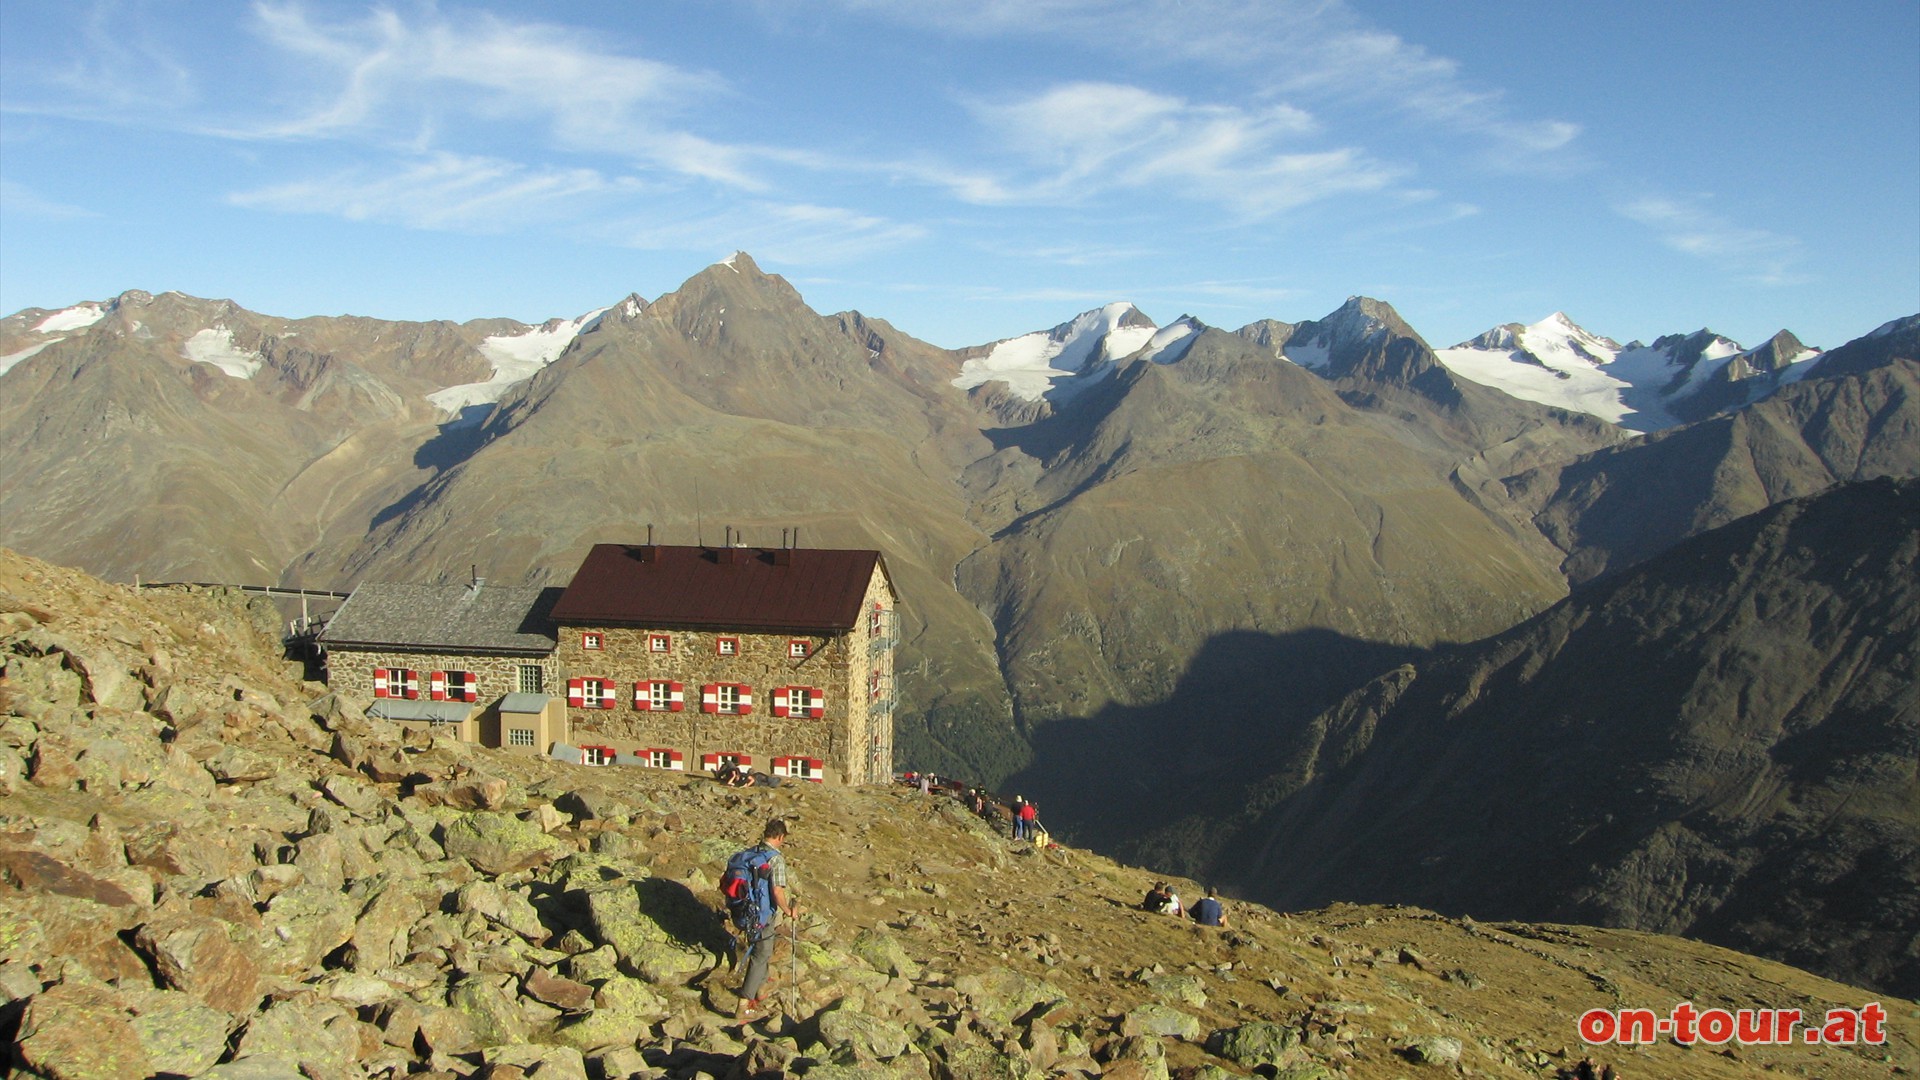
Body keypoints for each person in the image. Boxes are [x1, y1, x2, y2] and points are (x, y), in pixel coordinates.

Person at [735, 819, 798, 1021]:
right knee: (761, 954)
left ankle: (760, 989)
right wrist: (788, 910)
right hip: (763, 913)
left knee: (760, 949)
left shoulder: (752, 852)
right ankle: (743, 1004)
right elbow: (777, 890)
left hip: (746, 911)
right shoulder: (775, 859)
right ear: (780, 837)